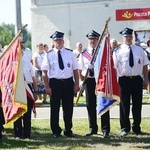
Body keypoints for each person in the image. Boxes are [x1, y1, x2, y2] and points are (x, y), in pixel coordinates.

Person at [41, 31, 79, 138]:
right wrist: (47, 86)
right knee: (55, 108)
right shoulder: (48, 55)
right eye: (56, 40)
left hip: (68, 83)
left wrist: (77, 84)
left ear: (63, 40)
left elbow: (75, 69)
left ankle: (68, 129)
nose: (58, 42)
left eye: (60, 39)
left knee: (68, 108)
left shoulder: (70, 53)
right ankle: (55, 130)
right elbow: (44, 72)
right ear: (53, 41)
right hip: (55, 83)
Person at [113, 27, 149, 136]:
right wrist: (116, 82)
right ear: (122, 38)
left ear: (132, 37)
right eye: (126, 36)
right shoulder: (118, 51)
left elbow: (145, 65)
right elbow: (115, 67)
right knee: (124, 105)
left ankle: (136, 127)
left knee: (137, 105)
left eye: (129, 36)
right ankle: (125, 128)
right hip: (124, 80)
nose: (128, 38)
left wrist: (146, 79)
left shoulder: (140, 50)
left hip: (137, 79)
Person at [78, 30, 110, 138]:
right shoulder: (84, 53)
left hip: (100, 80)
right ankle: (93, 128)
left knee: (103, 103)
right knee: (90, 105)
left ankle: (105, 129)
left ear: (98, 40)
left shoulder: (101, 52)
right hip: (89, 80)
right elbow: (79, 68)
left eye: (94, 39)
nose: (92, 41)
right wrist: (81, 81)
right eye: (90, 39)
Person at [14, 45, 37, 139]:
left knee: (27, 113)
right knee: (17, 112)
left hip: (27, 88)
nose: (20, 52)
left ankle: (27, 133)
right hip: (17, 90)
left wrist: (35, 91)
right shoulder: (12, 64)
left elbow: (33, 79)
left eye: (21, 50)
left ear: (24, 51)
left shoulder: (28, 63)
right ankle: (18, 133)